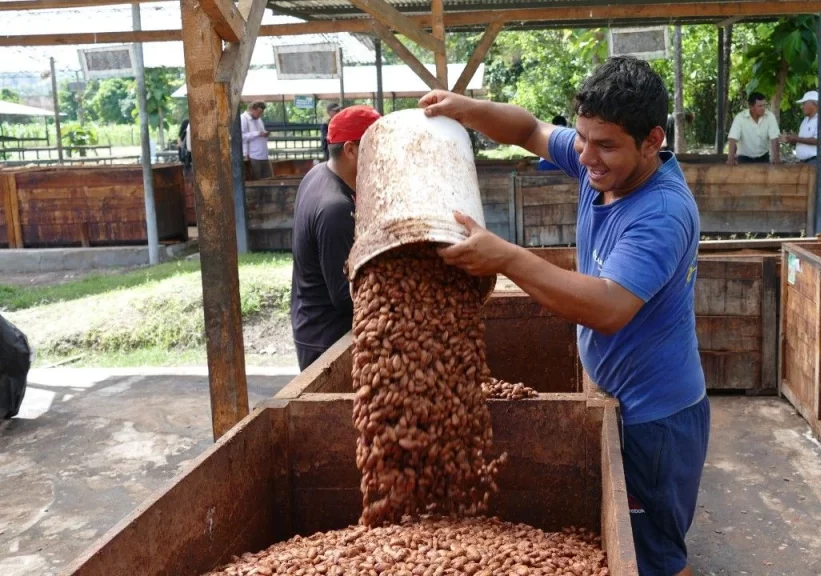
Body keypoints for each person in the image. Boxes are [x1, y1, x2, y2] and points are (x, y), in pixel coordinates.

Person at [420, 56, 708, 576]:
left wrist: (507, 257)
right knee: (633, 549)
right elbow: (528, 127)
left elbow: (607, 306)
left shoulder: (660, 213)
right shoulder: (598, 164)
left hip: (655, 418)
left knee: (656, 559)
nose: (587, 157)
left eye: (606, 145)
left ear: (652, 140)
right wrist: (466, 110)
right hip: (619, 399)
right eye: (582, 139)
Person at [290, 105, 381, 371]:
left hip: (312, 325)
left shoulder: (318, 173)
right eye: (378, 147)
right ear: (351, 150)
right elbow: (345, 296)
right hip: (328, 340)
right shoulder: (335, 208)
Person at [726, 92, 780, 165]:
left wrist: (776, 158)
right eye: (760, 106)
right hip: (744, 159)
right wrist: (730, 159)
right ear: (751, 107)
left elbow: (775, 138)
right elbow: (733, 139)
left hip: (763, 158)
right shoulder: (740, 118)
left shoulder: (770, 117)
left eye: (764, 105)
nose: (763, 108)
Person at [784, 91, 821, 163]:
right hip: (804, 162)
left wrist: (796, 138)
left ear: (813, 104)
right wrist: (791, 140)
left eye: (804, 103)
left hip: (814, 161)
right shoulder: (805, 120)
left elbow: (818, 140)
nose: (802, 107)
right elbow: (802, 141)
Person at [241, 102, 273, 179]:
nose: (260, 115)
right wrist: (258, 133)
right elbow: (241, 137)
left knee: (268, 179)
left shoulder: (259, 120)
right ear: (252, 109)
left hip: (263, 155)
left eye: (261, 113)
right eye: (259, 113)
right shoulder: (243, 118)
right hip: (252, 156)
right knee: (256, 180)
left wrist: (265, 134)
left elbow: (261, 133)